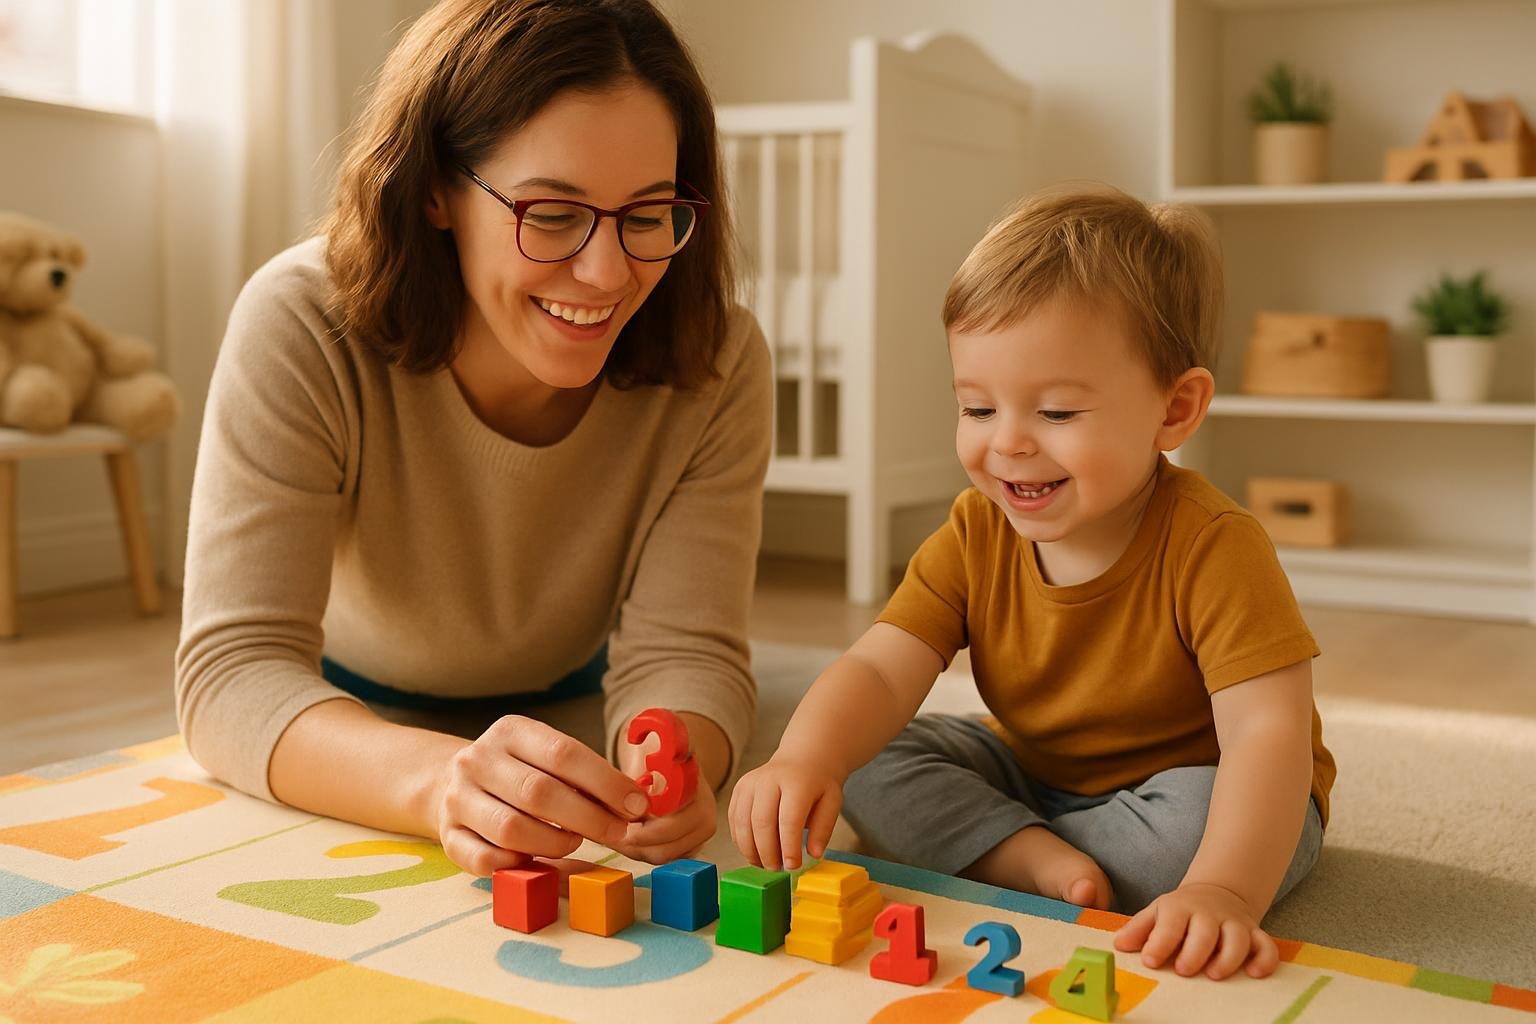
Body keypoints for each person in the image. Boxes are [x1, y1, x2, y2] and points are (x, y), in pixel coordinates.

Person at [175, 0, 771, 878]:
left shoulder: (718, 357)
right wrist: (436, 781)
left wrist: (675, 767)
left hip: (581, 691)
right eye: (553, 212)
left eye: (648, 214)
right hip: (347, 714)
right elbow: (233, 674)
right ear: (435, 189)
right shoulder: (300, 321)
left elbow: (688, 650)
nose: (607, 274)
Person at [728, 184, 1335, 981]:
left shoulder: (1217, 548)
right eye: (977, 409)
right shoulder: (975, 531)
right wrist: (803, 758)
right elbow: (881, 666)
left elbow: (1268, 736)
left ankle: (1028, 853)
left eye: (1055, 414)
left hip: (1194, 789)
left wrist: (1224, 889)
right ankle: (1030, 857)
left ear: (1174, 410)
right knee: (867, 760)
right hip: (1034, 771)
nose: (1007, 445)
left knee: (1205, 827)